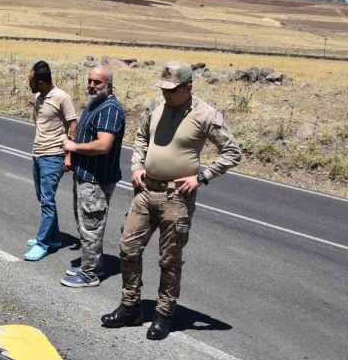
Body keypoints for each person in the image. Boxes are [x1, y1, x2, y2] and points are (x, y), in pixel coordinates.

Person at [101, 61, 242, 340]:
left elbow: (233, 152)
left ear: (188, 87)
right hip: (145, 192)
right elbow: (142, 137)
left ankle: (164, 314)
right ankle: (130, 306)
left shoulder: (205, 114)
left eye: (173, 90)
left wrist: (201, 177)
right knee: (128, 248)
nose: (167, 94)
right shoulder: (155, 107)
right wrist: (136, 166)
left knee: (169, 259)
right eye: (163, 88)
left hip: (176, 197)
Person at [60, 65, 125, 287]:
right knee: (85, 224)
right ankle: (92, 264)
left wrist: (74, 148)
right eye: (89, 81)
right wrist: (71, 156)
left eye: (97, 82)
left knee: (91, 226)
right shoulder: (96, 103)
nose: (91, 85)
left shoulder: (110, 109)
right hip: (85, 175)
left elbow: (103, 145)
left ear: (109, 84)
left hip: (97, 180)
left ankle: (89, 275)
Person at [25, 61, 78, 261]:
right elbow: (39, 122)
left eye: (31, 80)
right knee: (42, 197)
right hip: (37, 154)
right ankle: (54, 237)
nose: (29, 84)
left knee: (47, 200)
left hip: (53, 155)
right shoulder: (39, 97)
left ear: (40, 82)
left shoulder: (62, 97)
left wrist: (68, 155)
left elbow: (73, 125)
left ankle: (42, 243)